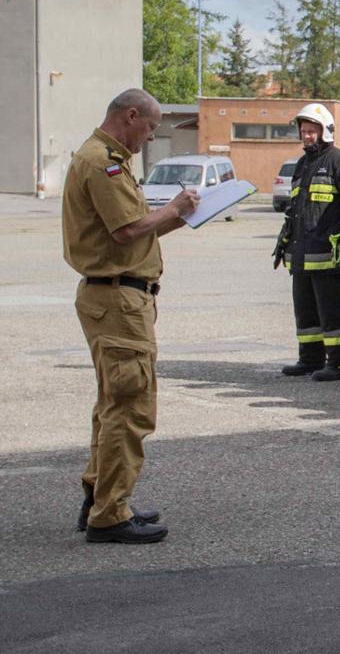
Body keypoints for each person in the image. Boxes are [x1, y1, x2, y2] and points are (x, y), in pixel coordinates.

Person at [66, 88, 195, 543]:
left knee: (113, 403)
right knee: (130, 407)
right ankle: (110, 515)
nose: (151, 136)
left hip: (116, 298)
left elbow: (134, 230)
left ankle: (100, 497)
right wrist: (173, 209)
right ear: (131, 115)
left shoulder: (106, 158)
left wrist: (178, 217)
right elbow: (125, 231)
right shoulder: (103, 162)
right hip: (118, 301)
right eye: (150, 127)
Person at [276, 104, 340, 381]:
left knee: (333, 311)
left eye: (312, 131)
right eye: (304, 131)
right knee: (306, 311)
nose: (307, 136)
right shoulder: (303, 164)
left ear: (325, 132)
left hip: (326, 254)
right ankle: (310, 358)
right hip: (301, 253)